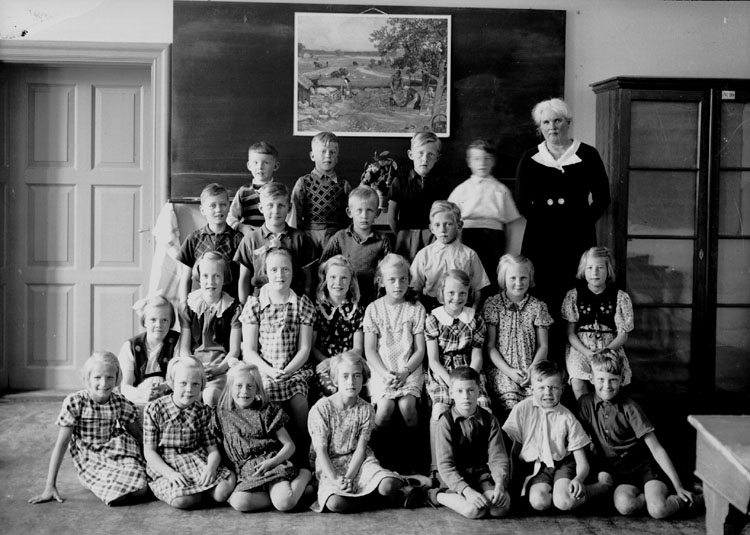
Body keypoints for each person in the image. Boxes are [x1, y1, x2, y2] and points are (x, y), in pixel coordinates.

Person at [515, 98, 610, 353]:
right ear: (540, 127)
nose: (552, 127)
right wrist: (544, 222)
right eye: (546, 122)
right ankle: (544, 358)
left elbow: (602, 197)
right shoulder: (530, 157)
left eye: (557, 121)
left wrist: (581, 222)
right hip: (540, 237)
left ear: (568, 123)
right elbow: (522, 200)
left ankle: (574, 357)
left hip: (577, 237)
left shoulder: (587, 154)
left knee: (575, 292)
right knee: (542, 292)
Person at [577, 350, 702, 519]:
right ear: (591, 379)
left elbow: (657, 449)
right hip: (621, 473)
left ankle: (700, 499)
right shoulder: (585, 404)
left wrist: (678, 486)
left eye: (613, 380)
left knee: (658, 510)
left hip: (645, 468)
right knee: (625, 505)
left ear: (622, 379)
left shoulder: (630, 408)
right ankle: (653, 496)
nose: (607, 385)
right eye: (601, 379)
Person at [29, 352, 148, 506]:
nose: (104, 383)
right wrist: (49, 486)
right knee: (118, 497)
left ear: (117, 378)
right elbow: (61, 444)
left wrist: (151, 464)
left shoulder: (119, 402)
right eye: (97, 377)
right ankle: (95, 480)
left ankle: (126, 476)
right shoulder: (76, 402)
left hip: (118, 451)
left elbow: (137, 435)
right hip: (91, 456)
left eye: (110, 377)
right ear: (87, 378)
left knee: (141, 490)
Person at [308, 351, 409, 513]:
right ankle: (380, 500)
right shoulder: (321, 409)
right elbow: (321, 452)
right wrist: (336, 480)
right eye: (345, 376)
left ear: (364, 379)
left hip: (359, 462)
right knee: (336, 504)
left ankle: (401, 485)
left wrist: (349, 477)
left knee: (388, 485)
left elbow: (361, 450)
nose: (351, 382)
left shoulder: (366, 409)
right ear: (335, 380)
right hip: (330, 464)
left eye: (357, 376)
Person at [240, 247, 315, 465]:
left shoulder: (302, 304)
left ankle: (305, 449)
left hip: (294, 368)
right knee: (269, 399)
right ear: (265, 272)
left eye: (285, 269)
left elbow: (304, 349)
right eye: (274, 270)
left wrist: (288, 371)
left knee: (299, 400)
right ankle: (276, 453)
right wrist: (270, 371)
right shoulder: (255, 304)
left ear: (293, 272)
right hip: (265, 369)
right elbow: (249, 351)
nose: (280, 275)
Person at [502, 360, 608, 512]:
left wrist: (579, 479)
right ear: (531, 388)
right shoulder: (521, 409)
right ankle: (557, 492)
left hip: (564, 463)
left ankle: (601, 487)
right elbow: (514, 451)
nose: (547, 393)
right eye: (541, 388)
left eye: (553, 388)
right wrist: (512, 481)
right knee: (539, 502)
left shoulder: (567, 417)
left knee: (564, 502)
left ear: (562, 389)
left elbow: (581, 461)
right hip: (539, 467)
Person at [214, 362, 312, 512]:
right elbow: (217, 447)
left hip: (273, 466)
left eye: (250, 386)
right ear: (230, 387)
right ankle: (294, 493)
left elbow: (289, 446)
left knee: (284, 504)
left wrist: (272, 462)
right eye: (239, 386)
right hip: (248, 473)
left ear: (257, 389)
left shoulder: (267, 411)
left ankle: (304, 475)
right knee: (239, 502)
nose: (244, 391)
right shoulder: (221, 415)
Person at [424, 270, 491, 488]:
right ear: (442, 293)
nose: (456, 298)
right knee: (440, 409)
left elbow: (477, 356)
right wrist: (452, 383)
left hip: (469, 371)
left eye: (462, 293)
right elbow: (433, 360)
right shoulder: (433, 319)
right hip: (442, 373)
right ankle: (437, 467)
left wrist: (468, 381)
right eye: (451, 293)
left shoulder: (475, 319)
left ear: (468, 293)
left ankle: (481, 465)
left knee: (482, 406)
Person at [143, 356, 236, 509]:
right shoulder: (155, 409)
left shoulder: (202, 411)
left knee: (223, 491)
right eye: (183, 383)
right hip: (167, 464)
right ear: (171, 383)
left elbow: (213, 450)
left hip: (196, 459)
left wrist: (211, 467)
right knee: (183, 501)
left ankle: (203, 492)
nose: (189, 390)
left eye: (195, 384)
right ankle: (196, 494)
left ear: (202, 385)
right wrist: (170, 474)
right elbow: (149, 452)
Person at [363, 254, 426, 474]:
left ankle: (415, 458)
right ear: (381, 281)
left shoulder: (416, 308)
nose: (398, 285)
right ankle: (378, 458)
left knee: (408, 407)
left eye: (402, 279)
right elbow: (370, 350)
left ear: (409, 280)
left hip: (409, 368)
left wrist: (405, 372)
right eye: (392, 280)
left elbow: (420, 350)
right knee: (385, 409)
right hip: (382, 369)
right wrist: (385, 374)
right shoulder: (373, 309)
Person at [427, 366, 511, 519]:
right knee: (474, 511)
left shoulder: (490, 420)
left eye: (471, 390)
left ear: (479, 391)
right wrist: (467, 491)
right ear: (451, 393)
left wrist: (499, 484)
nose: (466, 396)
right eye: (459, 391)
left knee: (499, 509)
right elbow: (446, 465)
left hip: (480, 473)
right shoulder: (445, 422)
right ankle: (436, 495)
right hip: (454, 475)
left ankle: (483, 489)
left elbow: (498, 457)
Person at [448, 139, 521, 293]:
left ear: (493, 161)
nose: (482, 163)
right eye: (476, 159)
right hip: (468, 236)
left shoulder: (501, 189)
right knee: (468, 275)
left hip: (494, 239)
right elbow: (450, 219)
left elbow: (511, 223)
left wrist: (510, 250)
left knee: (491, 277)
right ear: (469, 162)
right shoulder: (461, 190)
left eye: (487, 159)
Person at [482, 254, 552, 414]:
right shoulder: (493, 304)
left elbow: (543, 346)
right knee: (512, 406)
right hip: (503, 370)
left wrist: (532, 369)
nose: (518, 283)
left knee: (539, 405)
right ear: (503, 278)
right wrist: (509, 372)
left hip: (531, 367)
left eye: (523, 278)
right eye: (513, 278)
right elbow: (490, 347)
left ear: (530, 278)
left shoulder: (537, 306)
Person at [562, 246, 633, 399]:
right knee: (577, 381)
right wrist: (587, 352)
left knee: (609, 380)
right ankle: (586, 412)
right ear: (583, 270)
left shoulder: (619, 297)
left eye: (600, 268)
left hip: (610, 346)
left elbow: (623, 335)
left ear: (608, 270)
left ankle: (605, 412)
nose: (594, 272)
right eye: (590, 268)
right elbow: (570, 333)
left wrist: (605, 351)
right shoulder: (574, 295)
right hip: (581, 348)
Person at [234, 182, 316, 303]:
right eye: (270, 205)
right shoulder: (250, 240)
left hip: (293, 302)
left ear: (289, 208)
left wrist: (304, 304)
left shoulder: (300, 239)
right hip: (259, 303)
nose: (276, 211)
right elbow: (244, 279)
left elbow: (308, 279)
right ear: (261, 208)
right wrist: (245, 306)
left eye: (281, 205)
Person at [179, 251, 242, 407]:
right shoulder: (188, 307)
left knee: (211, 396)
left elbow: (234, 351)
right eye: (205, 276)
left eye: (217, 276)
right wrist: (194, 367)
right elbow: (184, 349)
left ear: (224, 278)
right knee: (185, 393)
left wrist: (219, 369)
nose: (210, 282)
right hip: (194, 364)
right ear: (199, 277)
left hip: (220, 366)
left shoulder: (234, 308)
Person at [410, 200, 490, 312]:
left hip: (461, 307)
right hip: (430, 308)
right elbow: (414, 288)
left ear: (459, 225)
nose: (442, 230)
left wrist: (473, 311)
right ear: (431, 228)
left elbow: (478, 288)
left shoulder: (469, 255)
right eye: (437, 225)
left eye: (448, 224)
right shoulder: (424, 255)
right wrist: (422, 313)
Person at [320, 186, 392, 307]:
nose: (364, 216)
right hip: (344, 296)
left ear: (377, 213)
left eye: (369, 210)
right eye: (359, 210)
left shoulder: (383, 240)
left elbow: (389, 271)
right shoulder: (340, 238)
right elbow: (324, 267)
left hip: (372, 297)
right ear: (349, 212)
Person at [388, 131, 451, 262]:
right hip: (407, 239)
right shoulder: (400, 182)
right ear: (411, 154)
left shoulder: (442, 185)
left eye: (430, 154)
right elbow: (391, 217)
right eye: (420, 153)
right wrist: (402, 237)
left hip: (433, 239)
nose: (425, 159)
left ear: (437, 158)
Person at [176, 183, 243, 302]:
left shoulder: (238, 240)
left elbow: (243, 278)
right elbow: (186, 278)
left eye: (223, 204)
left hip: (229, 305)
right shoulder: (193, 239)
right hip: (199, 305)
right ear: (202, 210)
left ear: (229, 206)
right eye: (213, 205)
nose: (218, 209)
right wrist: (183, 304)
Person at [311, 255, 365, 399]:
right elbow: (312, 346)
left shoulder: (357, 310)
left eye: (344, 278)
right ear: (325, 280)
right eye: (333, 277)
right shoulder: (316, 308)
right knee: (332, 390)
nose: (338, 283)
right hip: (324, 363)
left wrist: (336, 362)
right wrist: (328, 362)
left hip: (350, 363)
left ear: (351, 281)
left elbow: (358, 349)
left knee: (354, 387)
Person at [291, 131, 351, 254]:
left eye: (332, 152)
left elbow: (350, 217)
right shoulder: (303, 183)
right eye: (323, 151)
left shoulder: (344, 185)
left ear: (337, 158)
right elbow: (294, 215)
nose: (328, 156)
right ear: (312, 156)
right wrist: (297, 238)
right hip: (309, 236)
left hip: (336, 236)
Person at [117, 294, 180, 407]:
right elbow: (125, 386)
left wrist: (164, 389)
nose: (159, 325)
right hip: (139, 399)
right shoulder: (131, 346)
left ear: (171, 322)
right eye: (153, 320)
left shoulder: (176, 342)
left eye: (164, 320)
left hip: (170, 400)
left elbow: (180, 377)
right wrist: (144, 394)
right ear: (145, 321)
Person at [227, 141, 296, 235]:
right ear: (249, 166)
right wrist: (242, 227)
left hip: (275, 238)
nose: (260, 167)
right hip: (249, 238)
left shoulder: (281, 191)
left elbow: (290, 221)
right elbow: (230, 217)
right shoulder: (243, 191)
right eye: (255, 162)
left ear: (275, 166)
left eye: (266, 162)